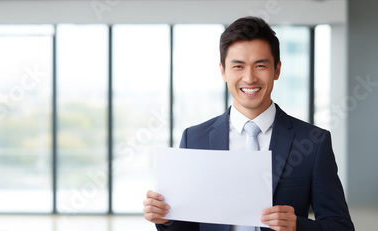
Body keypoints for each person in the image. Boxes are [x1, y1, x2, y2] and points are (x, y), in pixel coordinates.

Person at [143, 16, 354, 231]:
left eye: (260, 65)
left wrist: (298, 226)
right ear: (223, 71)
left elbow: (341, 226)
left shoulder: (313, 142)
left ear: (277, 70)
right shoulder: (195, 138)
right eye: (238, 66)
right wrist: (165, 218)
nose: (250, 78)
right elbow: (187, 226)